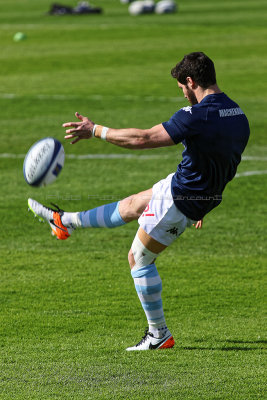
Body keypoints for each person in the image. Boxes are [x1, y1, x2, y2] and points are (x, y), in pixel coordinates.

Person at [28, 52, 250, 351]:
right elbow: (226, 164)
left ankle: (158, 335)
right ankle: (63, 221)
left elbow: (143, 139)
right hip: (186, 188)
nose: (183, 95)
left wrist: (95, 130)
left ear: (190, 81)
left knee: (139, 259)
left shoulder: (197, 115)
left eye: (182, 88)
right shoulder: (237, 114)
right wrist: (207, 202)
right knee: (134, 205)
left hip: (180, 200)